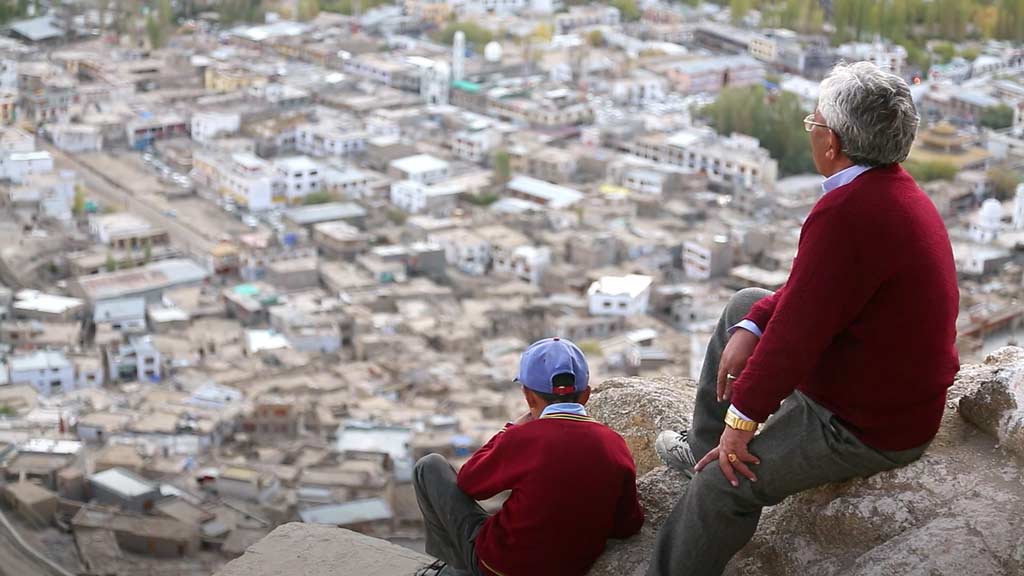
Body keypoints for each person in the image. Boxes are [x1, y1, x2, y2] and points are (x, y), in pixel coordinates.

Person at [649, 61, 960, 576]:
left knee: (725, 483)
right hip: (867, 379)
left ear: (832, 142)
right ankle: (702, 451)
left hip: (868, 423)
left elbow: (797, 337)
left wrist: (741, 423)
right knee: (743, 307)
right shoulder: (886, 190)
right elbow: (808, 296)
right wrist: (751, 326)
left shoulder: (852, 214)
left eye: (813, 121)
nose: (810, 128)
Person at [414, 337, 644, 576]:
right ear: (585, 395)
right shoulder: (614, 443)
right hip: (569, 568)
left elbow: (470, 483)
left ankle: (455, 569)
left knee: (429, 466)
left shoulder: (523, 438)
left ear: (528, 397)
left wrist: (510, 429)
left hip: (502, 567)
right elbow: (628, 524)